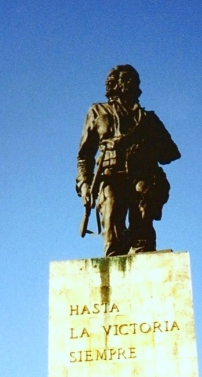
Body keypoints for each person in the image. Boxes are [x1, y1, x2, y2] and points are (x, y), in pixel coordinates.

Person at [77, 64, 181, 257]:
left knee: (143, 220)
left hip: (142, 175)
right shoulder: (97, 111)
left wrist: (147, 141)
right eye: (125, 79)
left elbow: (170, 154)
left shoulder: (148, 119)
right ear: (114, 84)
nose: (130, 84)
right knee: (112, 218)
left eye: (133, 80)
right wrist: (84, 184)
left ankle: (142, 250)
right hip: (110, 176)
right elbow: (84, 156)